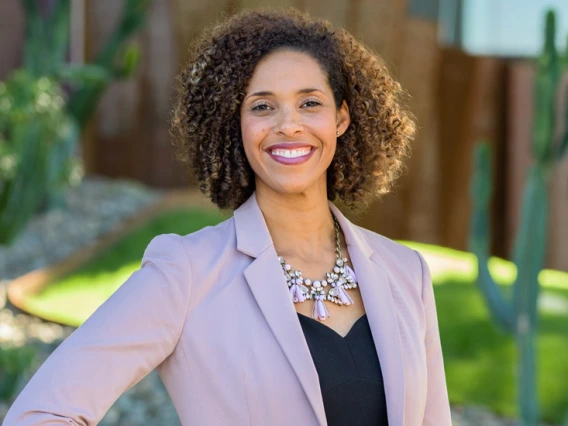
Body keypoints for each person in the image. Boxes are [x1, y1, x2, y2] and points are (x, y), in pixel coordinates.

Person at [3, 8, 451, 426]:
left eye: (310, 103)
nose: (288, 124)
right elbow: (43, 413)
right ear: (234, 125)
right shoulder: (187, 274)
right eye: (262, 106)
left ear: (341, 118)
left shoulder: (406, 274)